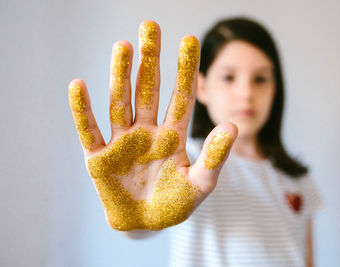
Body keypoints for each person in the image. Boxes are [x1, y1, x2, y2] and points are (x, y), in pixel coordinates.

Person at [68, 17, 322, 267]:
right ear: (202, 88)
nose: (246, 93)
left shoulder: (297, 179)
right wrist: (137, 215)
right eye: (228, 77)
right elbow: (141, 228)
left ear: (276, 89)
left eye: (260, 79)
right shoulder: (184, 163)